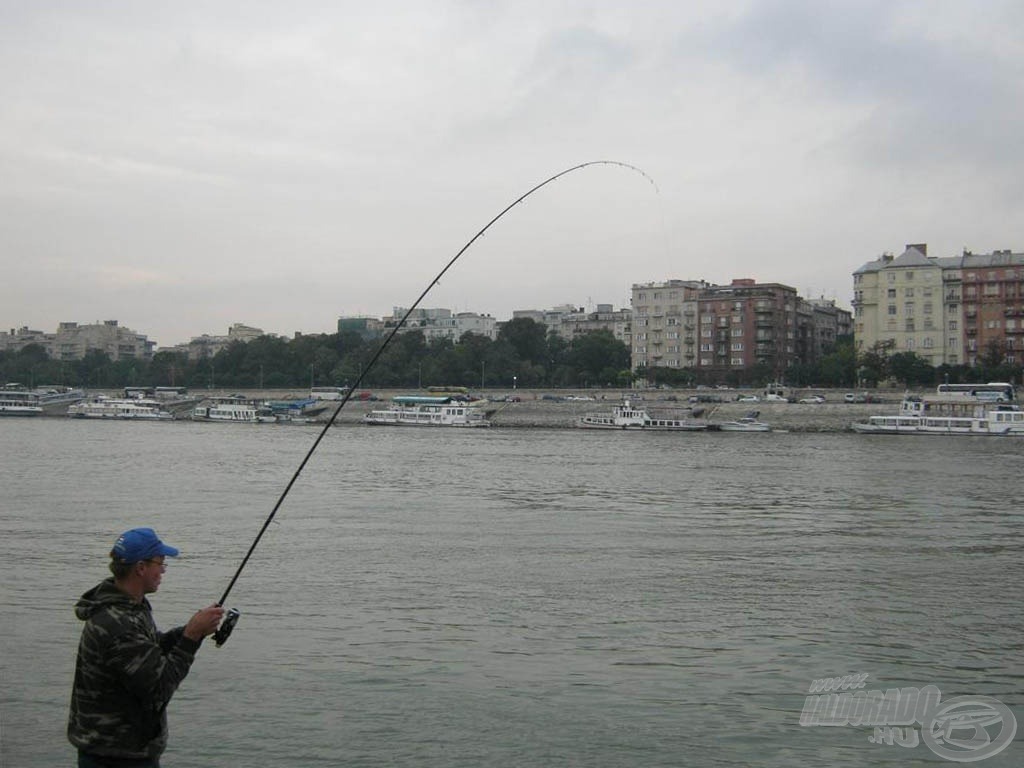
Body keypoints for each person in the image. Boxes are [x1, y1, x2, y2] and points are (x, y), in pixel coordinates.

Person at [68, 527, 224, 768]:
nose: (163, 569)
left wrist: (190, 631)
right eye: (160, 562)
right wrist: (192, 636)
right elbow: (159, 687)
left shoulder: (129, 607)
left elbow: (146, 652)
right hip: (115, 758)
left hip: (123, 752)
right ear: (140, 568)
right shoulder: (117, 623)